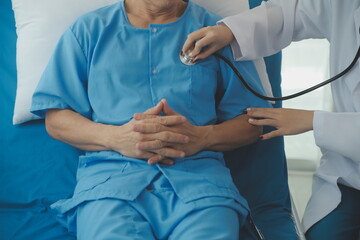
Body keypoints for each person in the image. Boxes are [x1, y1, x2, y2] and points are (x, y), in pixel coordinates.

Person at [30, 0, 272, 239]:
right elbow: (57, 117)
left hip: (201, 185)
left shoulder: (216, 33)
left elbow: (254, 121)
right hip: (111, 184)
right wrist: (115, 138)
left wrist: (202, 138)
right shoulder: (89, 30)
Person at [182, 0, 360, 239]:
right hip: (349, 172)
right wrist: (230, 31)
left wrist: (312, 121)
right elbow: (292, 14)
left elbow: (248, 128)